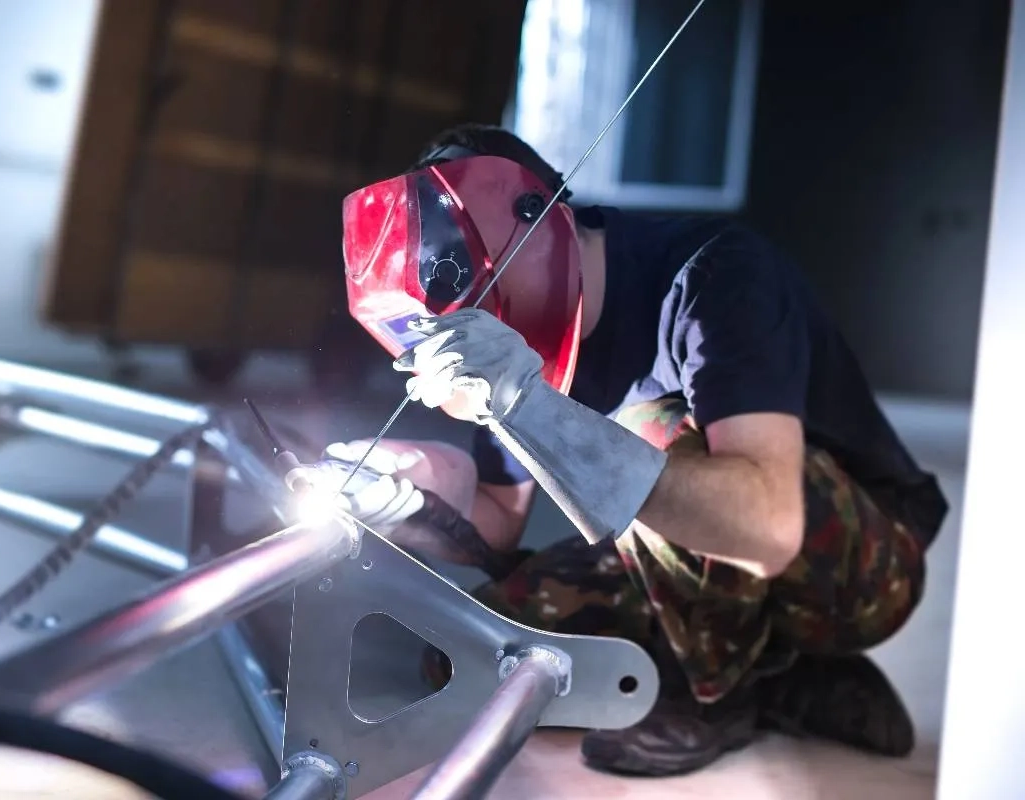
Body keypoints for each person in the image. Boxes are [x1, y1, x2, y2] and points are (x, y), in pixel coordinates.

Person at [311, 124, 949, 777]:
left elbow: (770, 525)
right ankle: (789, 679)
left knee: (647, 431)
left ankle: (719, 694)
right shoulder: (511, 333)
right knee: (479, 653)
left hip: (854, 570)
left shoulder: (715, 275)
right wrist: (415, 496)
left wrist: (527, 405)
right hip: (687, 566)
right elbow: (500, 521)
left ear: (539, 216)